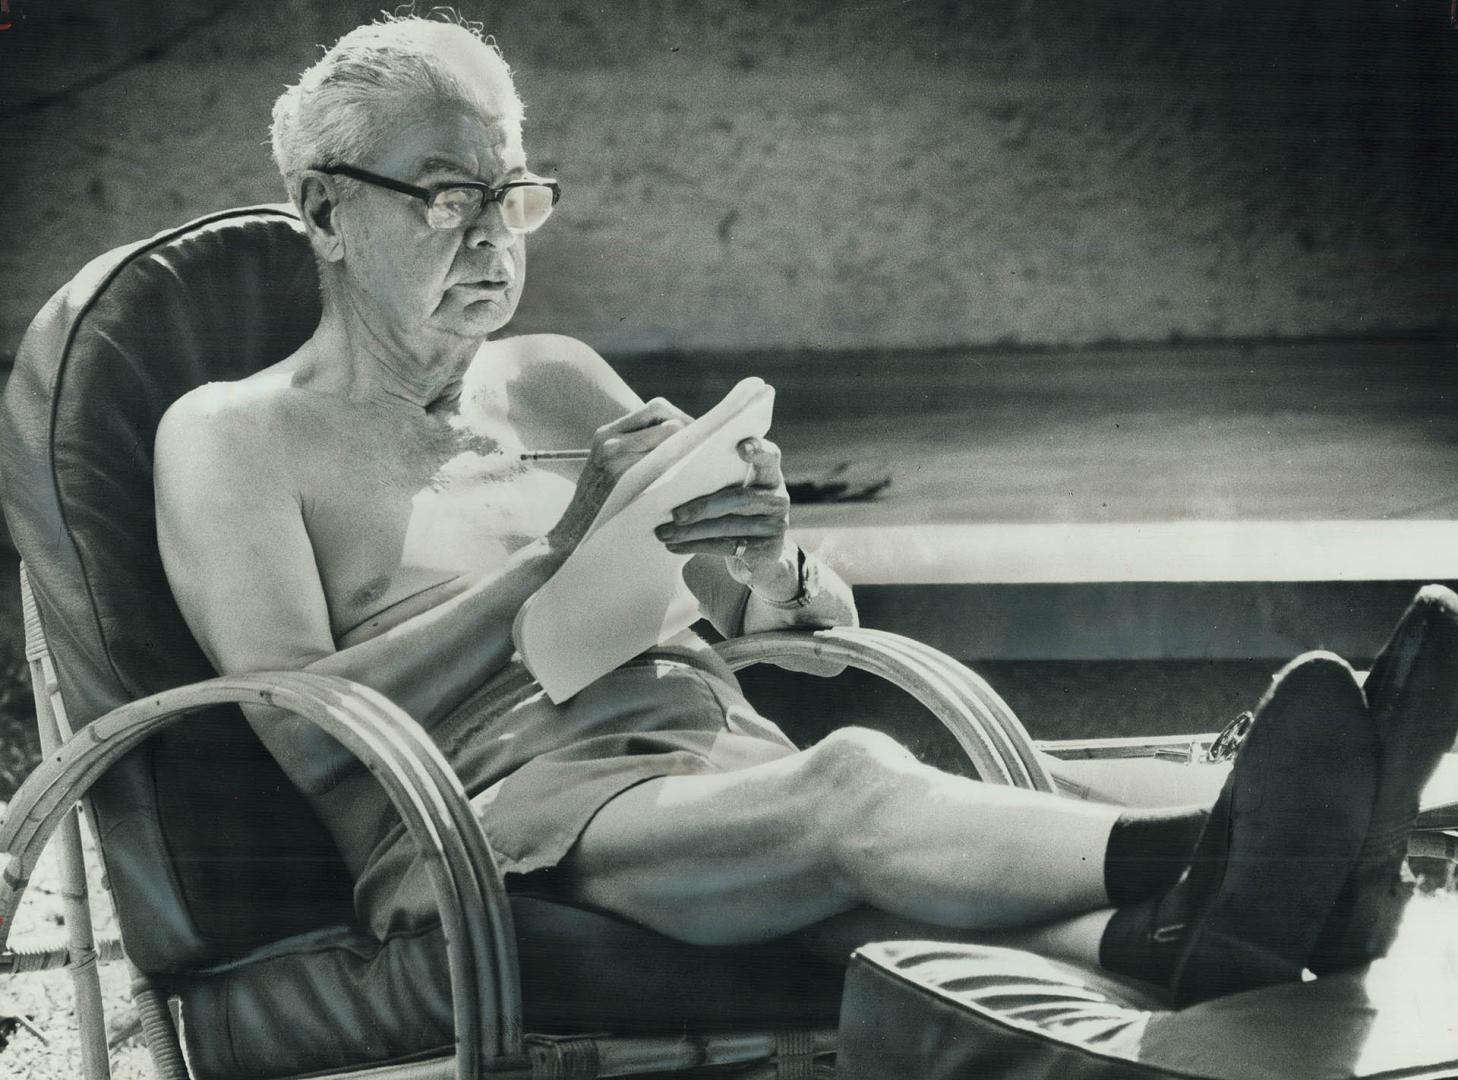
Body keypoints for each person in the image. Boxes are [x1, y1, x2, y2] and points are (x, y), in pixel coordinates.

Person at [152, 13, 1458, 1008]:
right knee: (855, 789)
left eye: (511, 193)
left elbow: (787, 627)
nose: (493, 234)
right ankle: (1258, 839)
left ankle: (1269, 893)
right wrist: (552, 557)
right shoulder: (236, 435)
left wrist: (769, 562)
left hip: (707, 759)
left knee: (1009, 794)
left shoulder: (550, 379)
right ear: (325, 211)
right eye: (447, 197)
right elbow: (297, 727)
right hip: (497, 822)